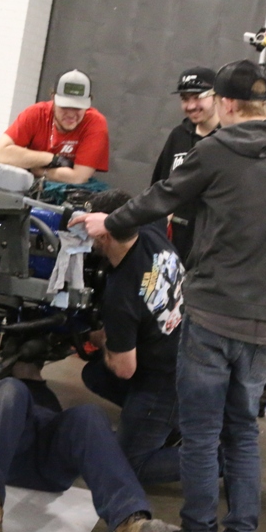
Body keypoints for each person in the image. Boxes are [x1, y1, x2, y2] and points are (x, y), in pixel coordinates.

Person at [71, 59, 266, 532]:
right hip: (264, 325)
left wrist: (109, 220)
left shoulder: (216, 151)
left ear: (227, 104)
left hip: (210, 318)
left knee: (201, 433)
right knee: (242, 433)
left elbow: (159, 196)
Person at [0, 362, 173, 532]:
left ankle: (129, 522)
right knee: (10, 388)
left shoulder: (35, 384)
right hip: (7, 453)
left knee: (89, 415)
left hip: (50, 457)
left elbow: (29, 369)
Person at [80, 189, 183, 485]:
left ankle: (220, 458)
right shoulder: (149, 231)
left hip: (164, 381)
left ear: (104, 235)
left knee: (128, 467)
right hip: (187, 351)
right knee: (95, 374)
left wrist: (103, 341)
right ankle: (168, 426)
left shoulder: (121, 295)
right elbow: (167, 209)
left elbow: (125, 369)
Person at [0, 69, 109, 184]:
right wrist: (52, 159)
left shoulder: (95, 123)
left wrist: (37, 170)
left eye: (78, 107)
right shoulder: (35, 114)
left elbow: (78, 178)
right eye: (65, 106)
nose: (71, 114)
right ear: (53, 98)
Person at [150, 66, 220, 258]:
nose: (190, 106)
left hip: (212, 244)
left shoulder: (228, 139)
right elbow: (159, 187)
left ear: (216, 96)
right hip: (176, 242)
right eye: (185, 99)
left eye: (197, 97)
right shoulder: (178, 136)